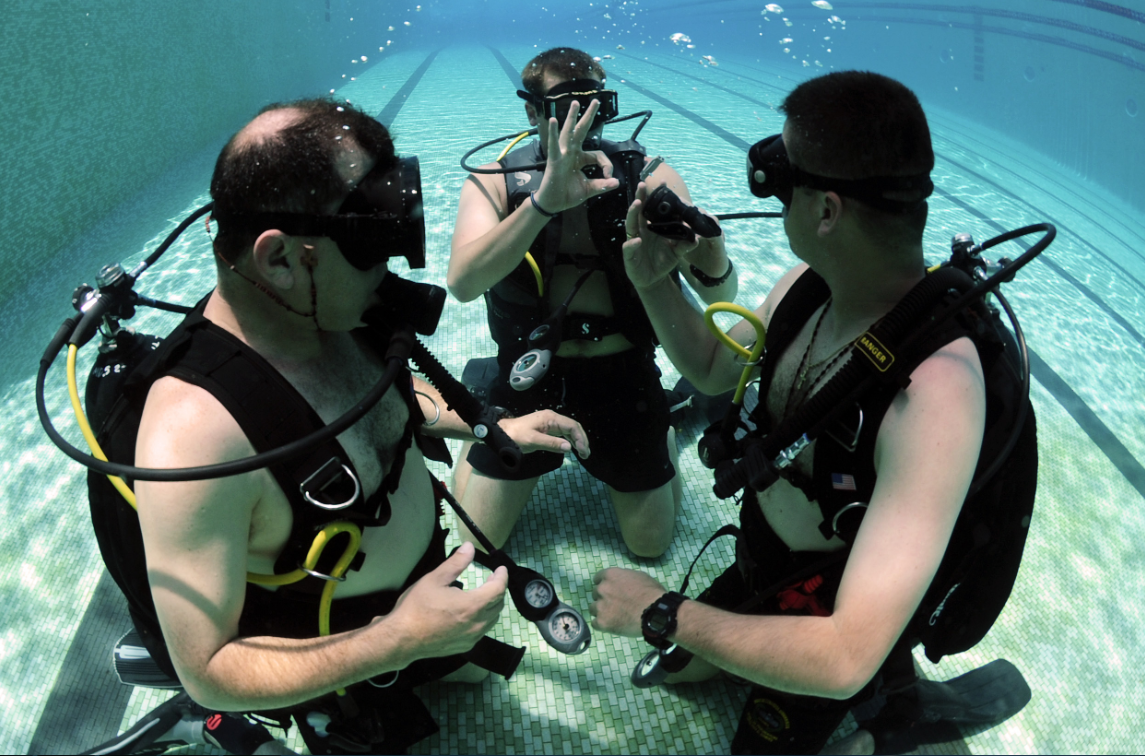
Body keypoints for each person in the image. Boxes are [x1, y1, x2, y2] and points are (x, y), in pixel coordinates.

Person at [126, 99, 589, 754]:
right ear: (279, 259)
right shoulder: (194, 439)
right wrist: (396, 640)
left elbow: (381, 396)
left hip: (416, 601)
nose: (389, 269)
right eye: (368, 246)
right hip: (338, 651)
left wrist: (486, 425)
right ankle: (216, 732)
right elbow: (209, 669)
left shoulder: (325, 306)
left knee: (468, 679)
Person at [590, 71, 992, 754]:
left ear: (826, 210)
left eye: (785, 182)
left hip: (830, 612)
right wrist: (653, 285)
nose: (777, 203)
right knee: (683, 668)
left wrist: (664, 612)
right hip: (763, 561)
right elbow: (712, 369)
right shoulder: (808, 288)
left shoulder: (936, 395)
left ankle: (885, 723)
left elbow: (842, 656)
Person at [448, 47, 737, 558]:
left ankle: (665, 423)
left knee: (650, 546)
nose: (583, 124)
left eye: (596, 107)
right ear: (533, 111)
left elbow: (722, 295)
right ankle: (484, 413)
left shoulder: (646, 176)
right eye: (567, 108)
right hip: (528, 376)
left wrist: (714, 259)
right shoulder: (495, 182)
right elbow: (463, 284)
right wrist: (542, 204)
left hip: (624, 376)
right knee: (478, 539)